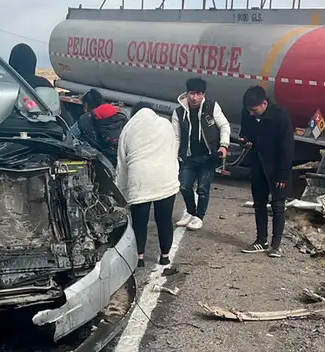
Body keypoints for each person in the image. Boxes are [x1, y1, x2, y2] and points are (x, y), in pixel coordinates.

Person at [115, 102, 180, 268]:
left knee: (140, 222)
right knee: (164, 220)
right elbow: (174, 150)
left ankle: (140, 258)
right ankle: (165, 256)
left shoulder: (128, 128)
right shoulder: (165, 124)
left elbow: (122, 163)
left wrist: (120, 190)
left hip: (140, 179)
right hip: (165, 178)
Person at [238, 85, 294, 258]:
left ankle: (276, 244)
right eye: (249, 110)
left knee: (278, 206)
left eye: (254, 110)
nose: (251, 113)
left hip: (276, 167)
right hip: (257, 165)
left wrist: (283, 173)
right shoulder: (247, 113)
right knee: (259, 205)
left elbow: (287, 147)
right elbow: (245, 133)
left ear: (264, 103)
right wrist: (244, 140)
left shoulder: (280, 116)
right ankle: (260, 240)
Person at [171, 77, 231, 231]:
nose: (195, 98)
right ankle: (190, 212)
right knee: (184, 186)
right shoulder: (178, 112)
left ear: (203, 94)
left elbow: (224, 126)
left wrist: (223, 146)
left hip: (208, 156)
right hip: (188, 156)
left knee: (203, 188)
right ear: (187, 93)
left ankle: (199, 216)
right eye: (192, 93)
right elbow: (176, 136)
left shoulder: (212, 107)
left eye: (198, 94)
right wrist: (173, 156)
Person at [68, 89, 128, 165]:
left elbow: (70, 136)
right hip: (120, 159)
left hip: (101, 163)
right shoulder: (118, 115)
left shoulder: (85, 119)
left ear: (86, 105)